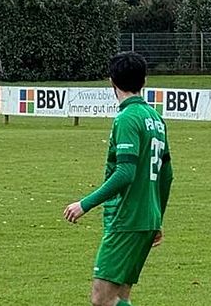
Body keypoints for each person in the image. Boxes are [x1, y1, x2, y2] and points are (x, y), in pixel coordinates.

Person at [64, 52, 173, 306]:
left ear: (111, 81)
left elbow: (125, 172)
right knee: (120, 296)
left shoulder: (126, 119)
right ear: (144, 81)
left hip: (128, 218)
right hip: (146, 218)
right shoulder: (155, 118)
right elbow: (167, 175)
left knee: (101, 299)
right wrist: (157, 217)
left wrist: (85, 204)